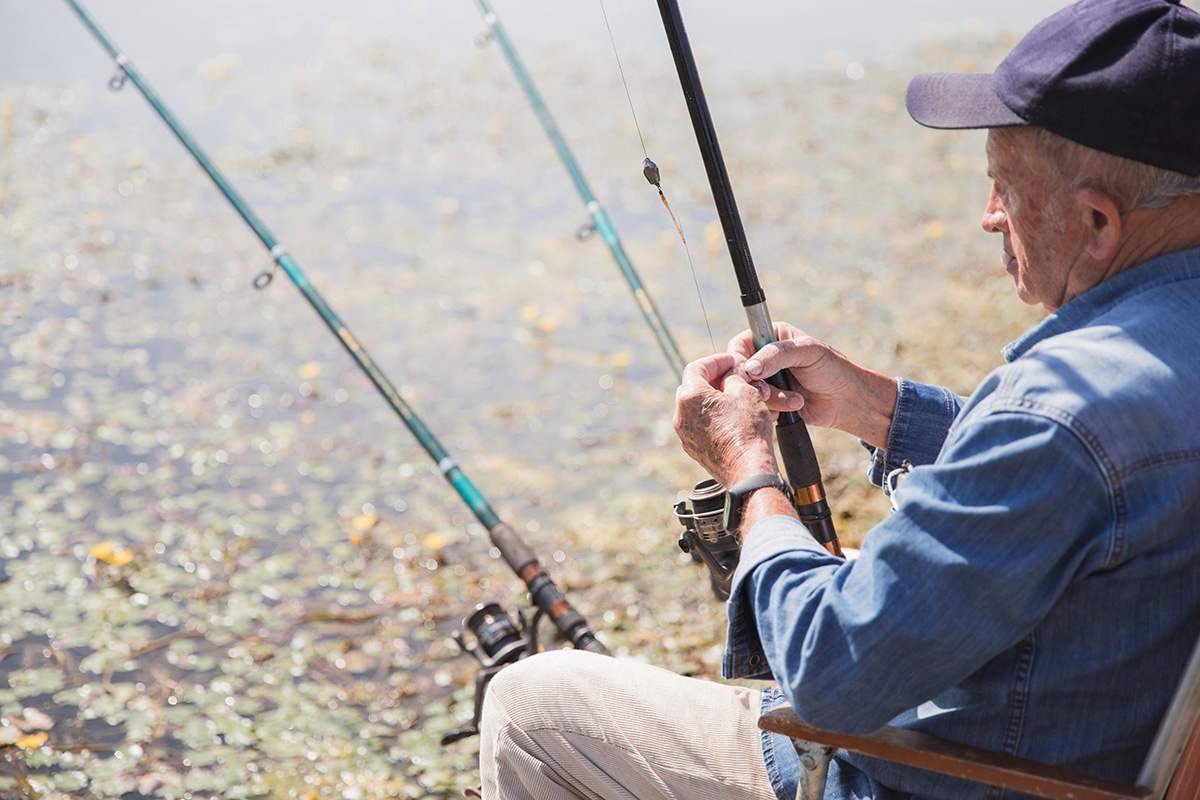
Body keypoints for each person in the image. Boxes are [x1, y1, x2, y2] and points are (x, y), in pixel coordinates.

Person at [475, 1, 1200, 798]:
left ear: (1097, 220)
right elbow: (1079, 479)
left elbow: (829, 670)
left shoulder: (1059, 410)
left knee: (532, 707)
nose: (987, 216)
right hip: (1091, 731)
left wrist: (750, 475)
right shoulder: (1134, 373)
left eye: (1003, 187)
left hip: (950, 777)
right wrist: (874, 407)